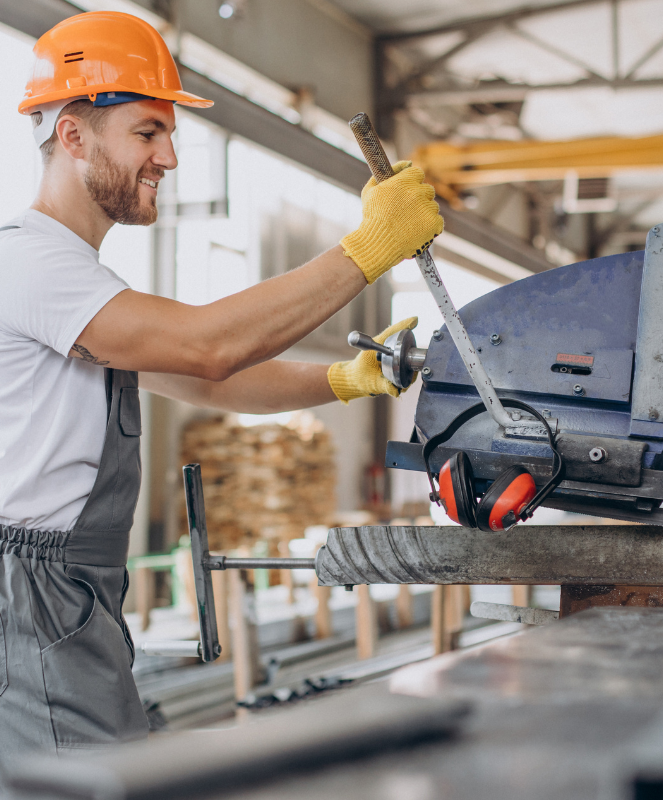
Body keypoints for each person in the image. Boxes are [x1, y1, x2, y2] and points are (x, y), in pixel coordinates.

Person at [0, 11, 442, 760]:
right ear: (72, 136)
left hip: (66, 593)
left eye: (170, 134)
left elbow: (214, 383)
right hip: (33, 595)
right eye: (147, 132)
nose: (169, 156)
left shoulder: (79, 285)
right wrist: (368, 250)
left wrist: (342, 377)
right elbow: (207, 347)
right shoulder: (32, 265)